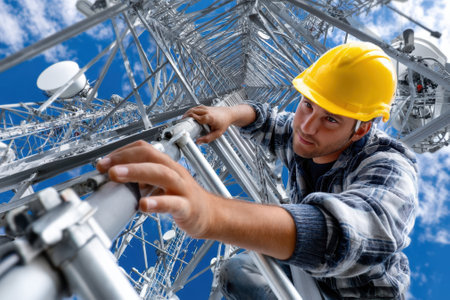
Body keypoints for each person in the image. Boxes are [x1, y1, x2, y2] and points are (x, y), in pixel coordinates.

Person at [97, 42, 418, 299]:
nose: (306, 126)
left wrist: (213, 214)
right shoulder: (306, 138)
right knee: (237, 271)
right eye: (307, 104)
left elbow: (351, 235)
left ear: (360, 131)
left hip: (357, 294)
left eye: (331, 119)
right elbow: (266, 119)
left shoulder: (390, 165)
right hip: (309, 273)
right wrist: (230, 113)